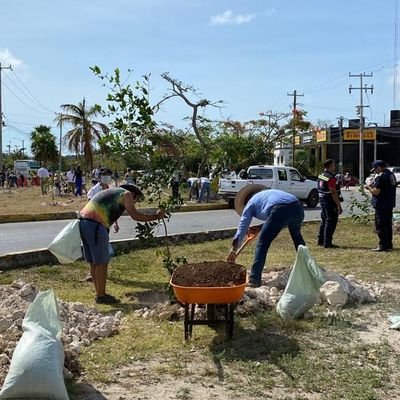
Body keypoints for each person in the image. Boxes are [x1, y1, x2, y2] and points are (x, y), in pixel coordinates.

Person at [78, 184, 164, 304]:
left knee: (94, 263)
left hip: (84, 223)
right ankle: (101, 296)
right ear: (134, 194)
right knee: (102, 263)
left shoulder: (114, 192)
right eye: (136, 200)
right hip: (96, 226)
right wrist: (156, 217)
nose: (134, 202)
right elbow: (135, 215)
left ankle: (99, 294)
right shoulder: (126, 194)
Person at [227, 186, 306, 288]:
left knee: (262, 244)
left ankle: (254, 279)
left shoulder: (250, 203)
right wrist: (260, 227)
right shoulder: (268, 194)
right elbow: (280, 219)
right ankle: (307, 266)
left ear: (245, 200)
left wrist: (234, 250)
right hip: (298, 208)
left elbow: (243, 226)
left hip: (280, 210)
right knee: (297, 237)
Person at [364, 160, 397, 252]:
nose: (375, 171)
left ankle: (382, 245)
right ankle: (389, 244)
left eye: (375, 169)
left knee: (380, 225)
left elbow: (376, 192)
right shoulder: (391, 175)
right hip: (389, 203)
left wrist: (368, 187)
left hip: (381, 204)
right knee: (387, 224)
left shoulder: (381, 176)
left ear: (379, 167)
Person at [317, 159, 343, 248]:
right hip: (329, 201)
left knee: (324, 219)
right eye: (333, 165)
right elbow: (333, 191)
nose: (334, 167)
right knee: (331, 221)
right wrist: (338, 205)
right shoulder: (331, 177)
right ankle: (327, 242)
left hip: (322, 200)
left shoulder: (322, 175)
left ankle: (321, 239)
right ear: (330, 166)